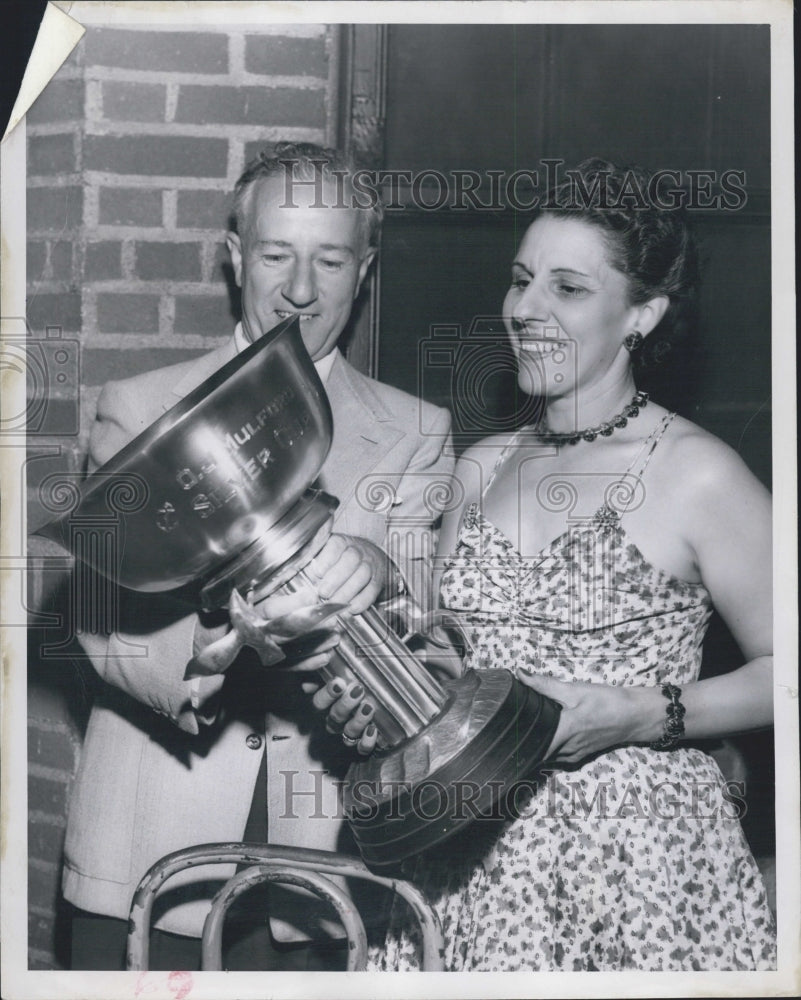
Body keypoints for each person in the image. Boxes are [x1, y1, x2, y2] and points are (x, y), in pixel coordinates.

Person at [330, 158, 776, 971]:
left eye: (566, 289)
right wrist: (387, 708)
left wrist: (644, 714)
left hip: (634, 870)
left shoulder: (697, 471)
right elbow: (454, 670)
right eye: (520, 280)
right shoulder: (481, 467)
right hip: (457, 857)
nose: (523, 309)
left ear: (641, 312)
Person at [62, 143, 453, 970]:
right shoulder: (137, 409)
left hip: (324, 854)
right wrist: (204, 649)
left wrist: (380, 577)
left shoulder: (418, 431)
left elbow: (430, 622)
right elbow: (101, 615)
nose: (301, 289)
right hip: (148, 844)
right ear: (236, 257)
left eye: (331, 258)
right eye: (276, 253)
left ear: (364, 267)